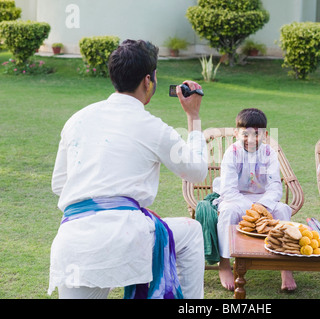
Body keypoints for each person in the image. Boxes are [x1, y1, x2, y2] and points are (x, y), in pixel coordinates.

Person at [48, 40, 208, 299]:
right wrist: (194, 118)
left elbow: (59, 185)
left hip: (74, 243)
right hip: (126, 239)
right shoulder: (153, 127)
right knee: (191, 232)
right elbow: (198, 172)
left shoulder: (77, 119)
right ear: (148, 80)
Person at [214, 108, 296, 291]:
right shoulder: (232, 153)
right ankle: (225, 263)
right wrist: (252, 208)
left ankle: (285, 267)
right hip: (236, 198)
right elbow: (228, 189)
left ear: (265, 135)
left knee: (282, 210)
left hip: (263, 199)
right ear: (236, 133)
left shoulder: (269, 154)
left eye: (256, 134)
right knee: (227, 212)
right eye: (245, 134)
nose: (251, 139)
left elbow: (275, 186)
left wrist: (261, 205)